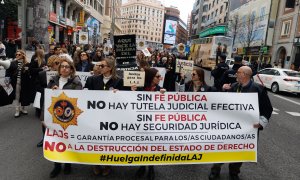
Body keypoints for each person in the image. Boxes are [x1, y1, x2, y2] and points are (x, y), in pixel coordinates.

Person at [209, 66, 273, 180]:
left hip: (247, 129)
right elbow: (223, 104)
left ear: (244, 75)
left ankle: (234, 173)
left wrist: (261, 123)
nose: (236, 74)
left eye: (238, 72)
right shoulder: (233, 86)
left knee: (240, 151)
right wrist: (223, 90)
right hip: (229, 127)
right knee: (222, 148)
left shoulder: (258, 89)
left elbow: (267, 109)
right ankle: (215, 170)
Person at [84, 57, 123, 176]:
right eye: (99, 65)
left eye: (102, 66)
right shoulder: (92, 79)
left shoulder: (119, 81)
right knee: (96, 140)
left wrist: (120, 94)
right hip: (95, 117)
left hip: (111, 118)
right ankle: (95, 163)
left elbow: (128, 99)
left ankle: (107, 164)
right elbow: (84, 96)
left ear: (110, 68)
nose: (98, 67)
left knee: (108, 142)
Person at [47, 58, 82, 178]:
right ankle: (56, 166)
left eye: (67, 67)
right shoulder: (53, 80)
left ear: (71, 69)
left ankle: (68, 164)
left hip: (69, 118)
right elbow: (46, 101)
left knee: (68, 141)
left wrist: (60, 92)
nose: (64, 68)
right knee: (55, 142)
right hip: (54, 117)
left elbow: (78, 101)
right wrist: (43, 117)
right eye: (62, 66)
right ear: (59, 69)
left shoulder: (76, 82)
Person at [132, 68, 166, 180]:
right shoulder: (139, 88)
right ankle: (142, 166)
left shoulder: (161, 90)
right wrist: (132, 92)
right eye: (157, 76)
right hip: (140, 122)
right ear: (150, 77)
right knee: (142, 145)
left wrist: (163, 97)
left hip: (154, 123)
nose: (160, 78)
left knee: (152, 145)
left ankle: (151, 167)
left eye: (160, 76)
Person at [35, 55, 61, 147]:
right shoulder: (42, 74)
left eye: (59, 63)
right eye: (56, 63)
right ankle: (45, 138)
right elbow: (37, 87)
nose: (58, 65)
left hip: (60, 101)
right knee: (45, 120)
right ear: (51, 63)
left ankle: (59, 138)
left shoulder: (63, 74)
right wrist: (48, 89)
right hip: (46, 99)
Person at [5, 50, 33, 117]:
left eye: (19, 54)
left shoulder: (27, 63)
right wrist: (7, 80)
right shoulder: (12, 63)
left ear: (23, 55)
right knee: (17, 96)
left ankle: (23, 109)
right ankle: (17, 110)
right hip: (16, 81)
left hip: (25, 82)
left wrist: (27, 71)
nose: (17, 55)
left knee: (24, 95)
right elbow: (8, 72)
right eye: (16, 54)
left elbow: (30, 73)